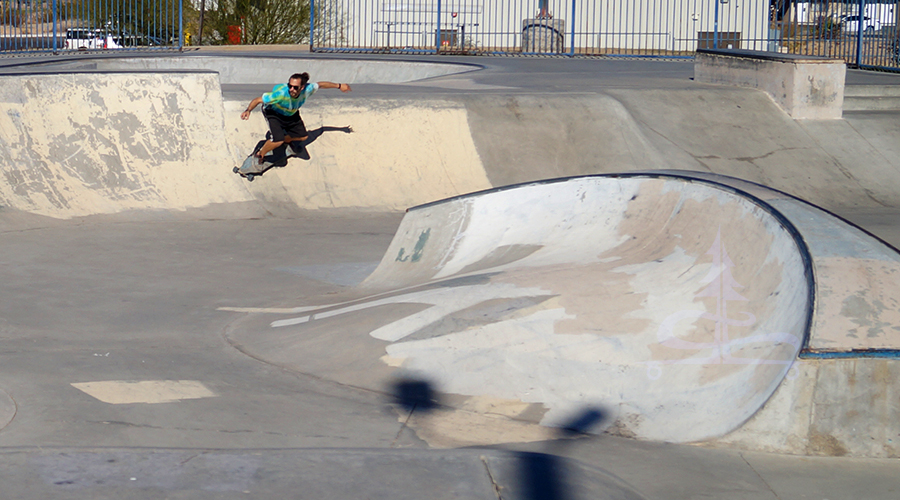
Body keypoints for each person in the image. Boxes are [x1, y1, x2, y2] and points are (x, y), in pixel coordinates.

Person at [240, 73, 351, 163]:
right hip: (273, 113)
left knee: (303, 137)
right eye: (290, 86)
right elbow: (258, 100)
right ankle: (260, 154)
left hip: (291, 113)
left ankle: (285, 140)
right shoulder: (280, 94)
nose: (292, 89)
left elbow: (321, 84)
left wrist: (339, 86)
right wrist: (248, 110)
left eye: (295, 87)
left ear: (302, 87)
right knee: (278, 140)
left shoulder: (308, 89)